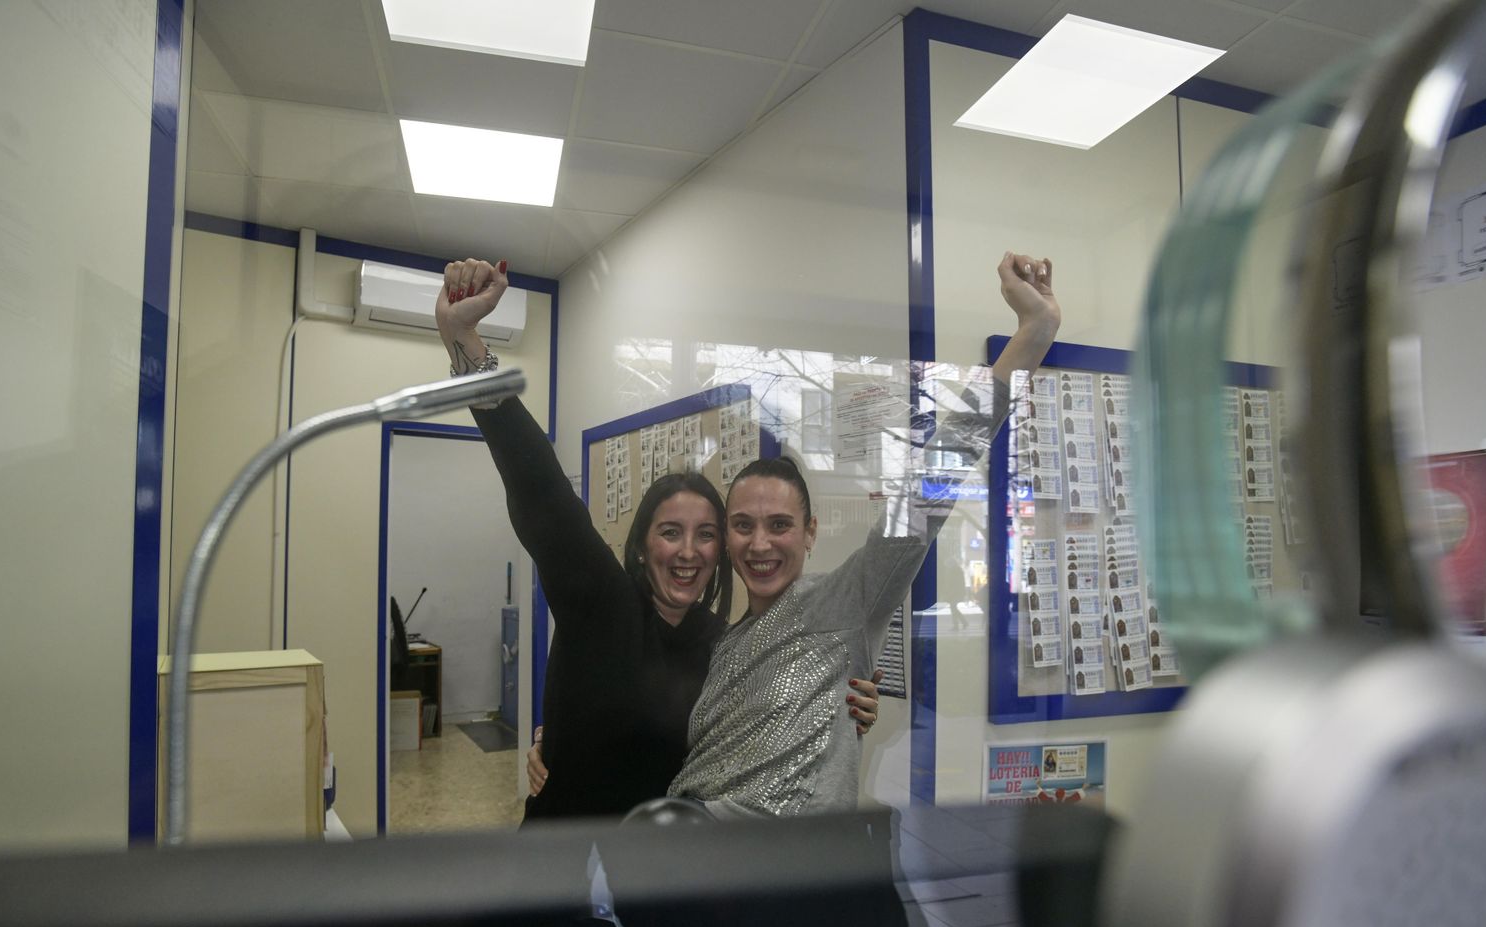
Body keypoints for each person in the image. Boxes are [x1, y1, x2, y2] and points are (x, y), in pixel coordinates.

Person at [431, 259, 879, 817]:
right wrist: (464, 340)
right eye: (671, 533)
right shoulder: (601, 602)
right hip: (563, 874)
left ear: (721, 552)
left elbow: (787, 701)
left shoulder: (723, 645)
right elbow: (539, 486)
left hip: (663, 879)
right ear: (643, 545)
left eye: (707, 535)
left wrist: (850, 702)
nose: (689, 551)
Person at [668, 252, 1059, 820]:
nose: (759, 545)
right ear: (726, 537)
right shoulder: (723, 645)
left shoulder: (844, 601)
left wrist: (1033, 333)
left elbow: (928, 489)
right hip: (694, 862)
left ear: (809, 533)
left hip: (788, 877)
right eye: (743, 526)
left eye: (779, 526)